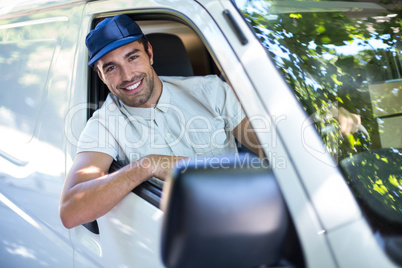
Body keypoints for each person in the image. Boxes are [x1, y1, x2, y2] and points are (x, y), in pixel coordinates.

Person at [59, 15, 361, 229]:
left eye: (133, 57)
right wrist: (148, 165)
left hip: (252, 218)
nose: (127, 76)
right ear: (100, 75)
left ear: (149, 53)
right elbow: (71, 211)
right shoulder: (104, 124)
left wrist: (316, 124)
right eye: (111, 67)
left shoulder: (210, 91)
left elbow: (269, 145)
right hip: (189, 238)